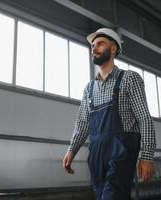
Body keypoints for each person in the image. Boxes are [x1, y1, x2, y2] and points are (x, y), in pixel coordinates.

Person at [62, 28, 156, 200]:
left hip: (121, 150)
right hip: (97, 152)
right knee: (101, 196)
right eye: (92, 46)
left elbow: (144, 118)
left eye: (100, 44)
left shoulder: (129, 78)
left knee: (112, 196)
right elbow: (82, 123)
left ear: (113, 49)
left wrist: (147, 156)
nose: (94, 48)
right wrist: (72, 150)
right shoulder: (89, 88)